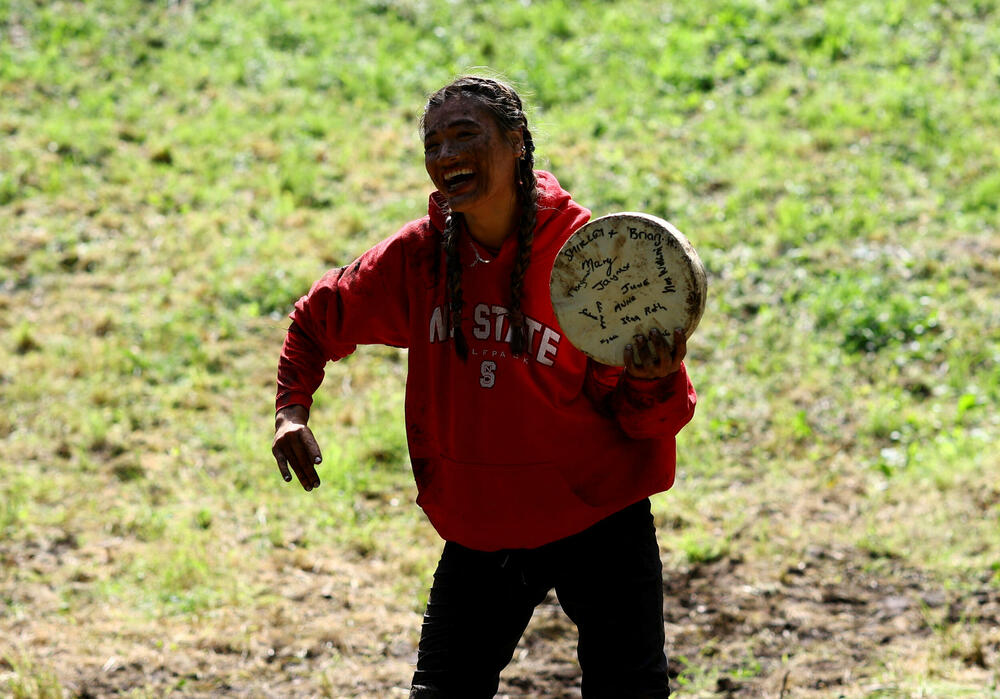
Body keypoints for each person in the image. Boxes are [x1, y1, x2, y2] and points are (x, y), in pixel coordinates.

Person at [271, 75, 697, 698]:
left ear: (517, 142)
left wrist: (654, 382)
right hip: (483, 528)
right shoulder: (418, 258)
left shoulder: (592, 264)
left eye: (464, 135)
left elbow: (645, 423)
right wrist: (291, 410)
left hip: (599, 520)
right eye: (433, 143)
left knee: (630, 690)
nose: (445, 155)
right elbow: (315, 319)